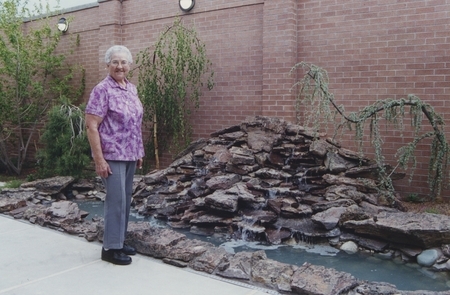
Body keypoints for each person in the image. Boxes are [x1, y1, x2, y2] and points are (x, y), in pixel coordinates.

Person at [85, 45, 144, 265]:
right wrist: (99, 159)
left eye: (124, 62)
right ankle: (110, 249)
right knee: (116, 201)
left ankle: (119, 240)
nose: (120, 66)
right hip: (111, 155)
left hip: (130, 154)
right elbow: (92, 126)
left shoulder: (131, 89)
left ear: (130, 65)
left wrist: (139, 151)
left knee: (125, 200)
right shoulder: (102, 89)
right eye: (115, 62)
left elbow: (136, 123)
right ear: (108, 64)